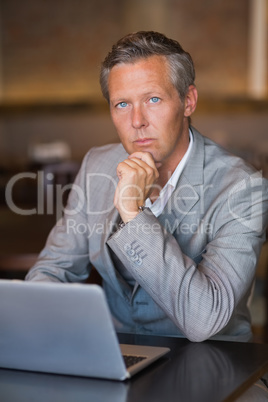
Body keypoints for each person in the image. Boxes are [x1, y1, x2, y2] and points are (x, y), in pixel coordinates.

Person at [26, 30, 268, 399]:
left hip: (218, 371)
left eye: (153, 99)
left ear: (188, 100)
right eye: (122, 104)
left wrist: (132, 212)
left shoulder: (243, 188)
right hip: (117, 364)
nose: (137, 120)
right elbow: (52, 270)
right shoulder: (97, 165)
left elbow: (204, 321)